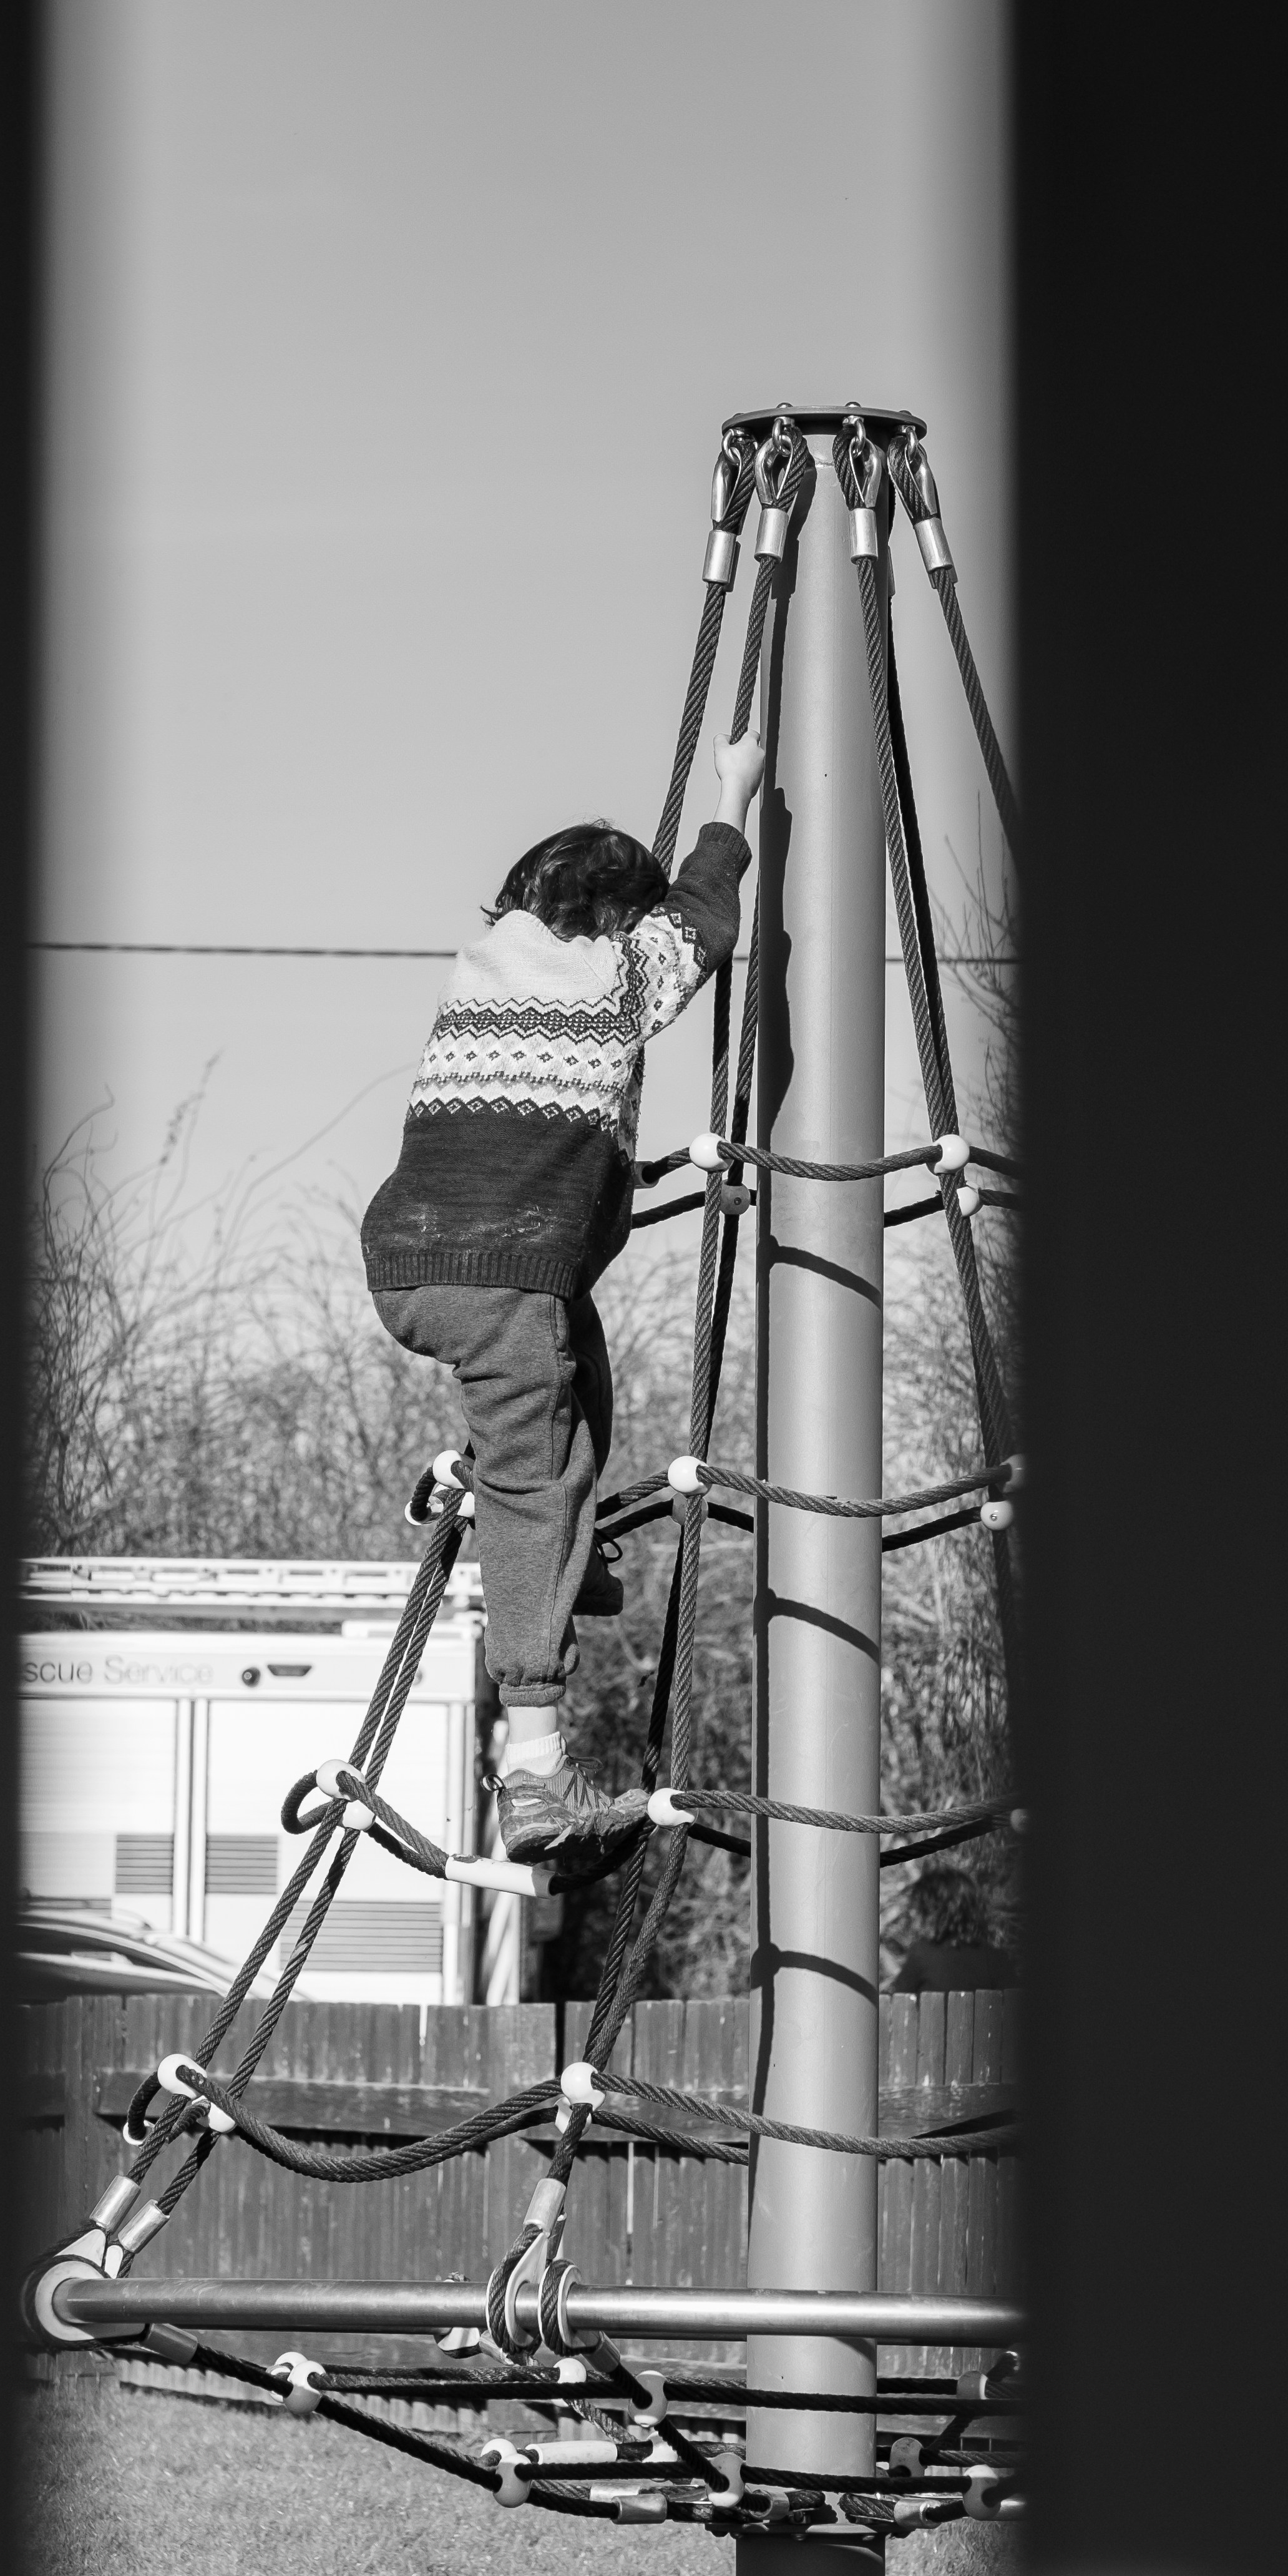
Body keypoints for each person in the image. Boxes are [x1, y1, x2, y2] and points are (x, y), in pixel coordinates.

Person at [361, 729, 768, 1860]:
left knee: (566, 1359)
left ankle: (561, 1545)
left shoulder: (480, 974)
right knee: (533, 1471)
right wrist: (733, 800)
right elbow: (703, 922)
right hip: (498, 1277)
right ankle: (535, 1772)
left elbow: (530, 1134)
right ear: (616, 919)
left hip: (415, 1256)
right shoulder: (615, 975)